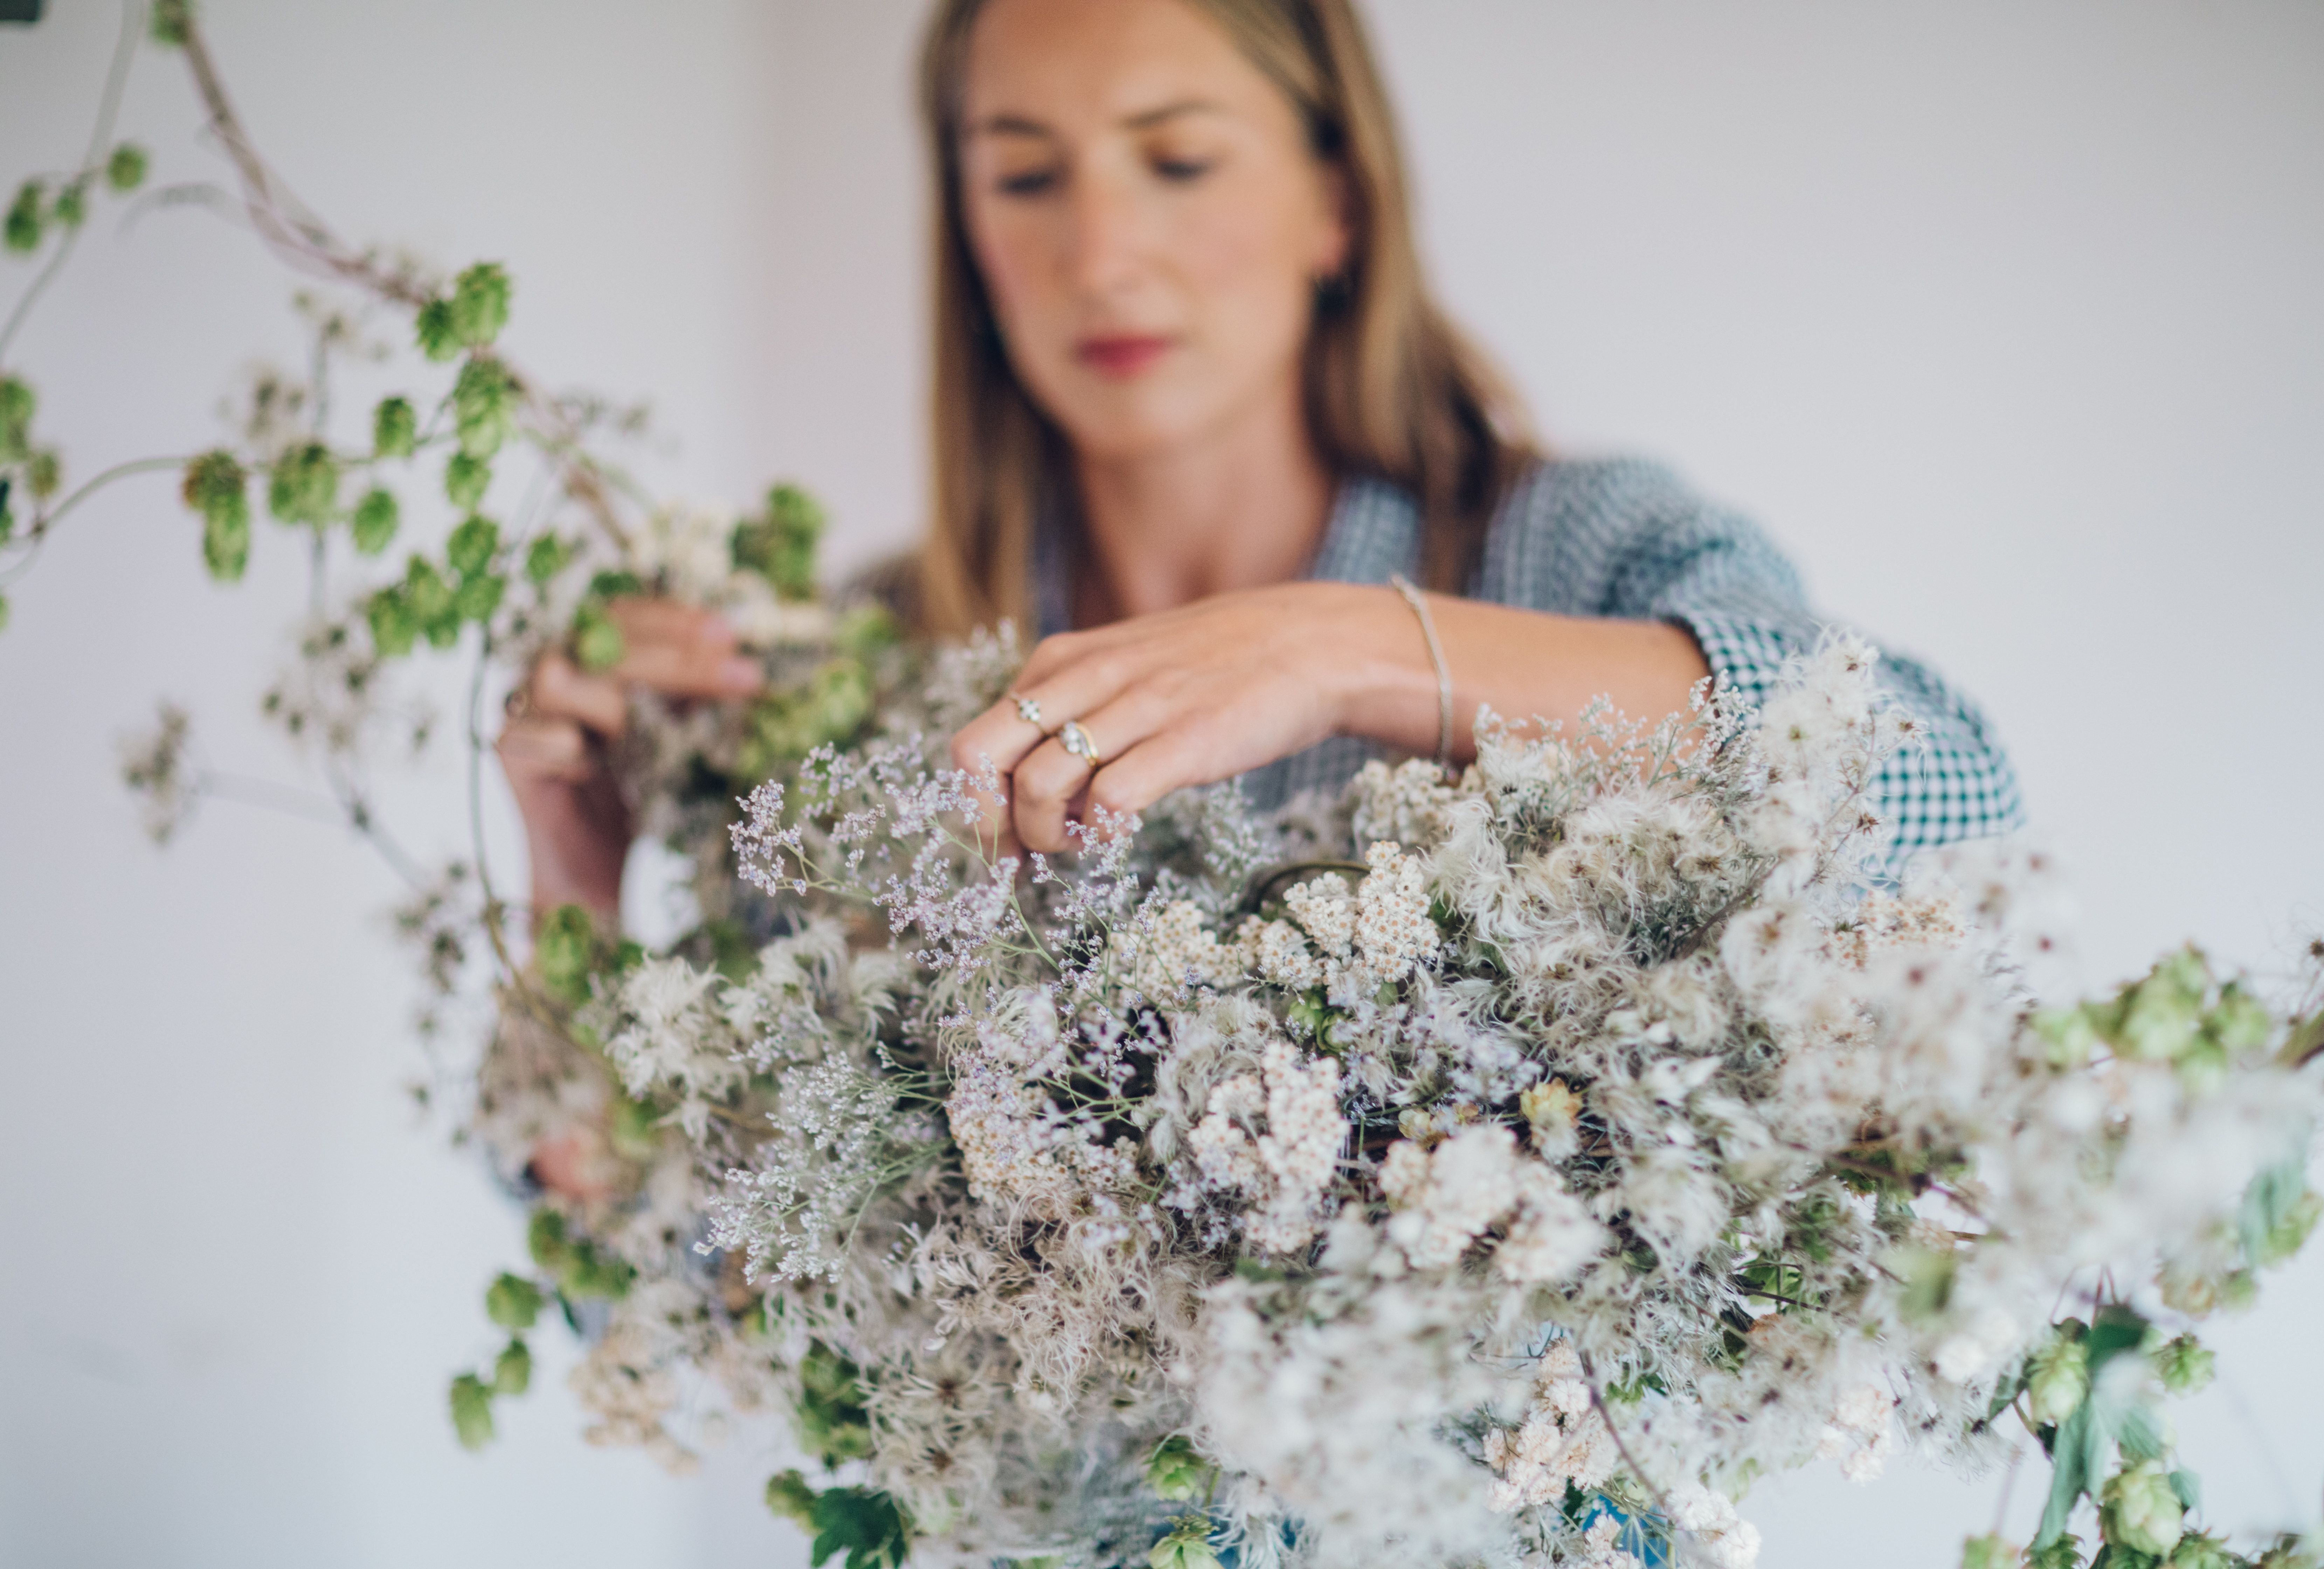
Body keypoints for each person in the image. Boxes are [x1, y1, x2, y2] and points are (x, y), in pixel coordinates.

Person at [498, 0, 2021, 928]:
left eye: (1179, 160)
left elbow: (1949, 797)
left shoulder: (1574, 551)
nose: (1099, 254)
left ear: (1334, 205)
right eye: (1026, 176)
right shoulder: (865, 665)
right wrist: (576, 873)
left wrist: (1350, 650)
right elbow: (687, 1289)